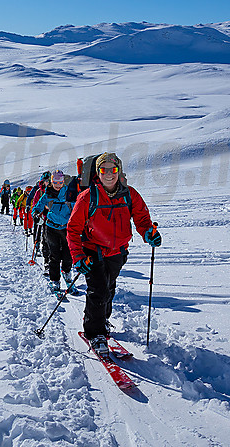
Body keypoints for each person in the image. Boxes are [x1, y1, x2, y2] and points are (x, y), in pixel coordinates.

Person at [66, 152, 162, 357]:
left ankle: (102, 319)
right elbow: (73, 229)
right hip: (93, 251)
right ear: (97, 173)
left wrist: (149, 233)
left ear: (119, 171)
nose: (109, 174)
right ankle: (95, 332)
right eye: (104, 170)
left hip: (118, 252)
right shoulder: (87, 197)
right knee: (98, 290)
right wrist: (78, 257)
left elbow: (142, 219)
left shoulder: (130, 194)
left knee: (108, 288)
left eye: (113, 169)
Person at [31, 169, 76, 293]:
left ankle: (67, 274)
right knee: (54, 256)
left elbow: (77, 206)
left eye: (60, 182)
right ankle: (55, 280)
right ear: (52, 182)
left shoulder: (69, 193)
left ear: (63, 182)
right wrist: (35, 214)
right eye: (55, 182)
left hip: (66, 228)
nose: (57, 185)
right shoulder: (47, 194)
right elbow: (37, 207)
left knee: (68, 255)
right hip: (51, 227)